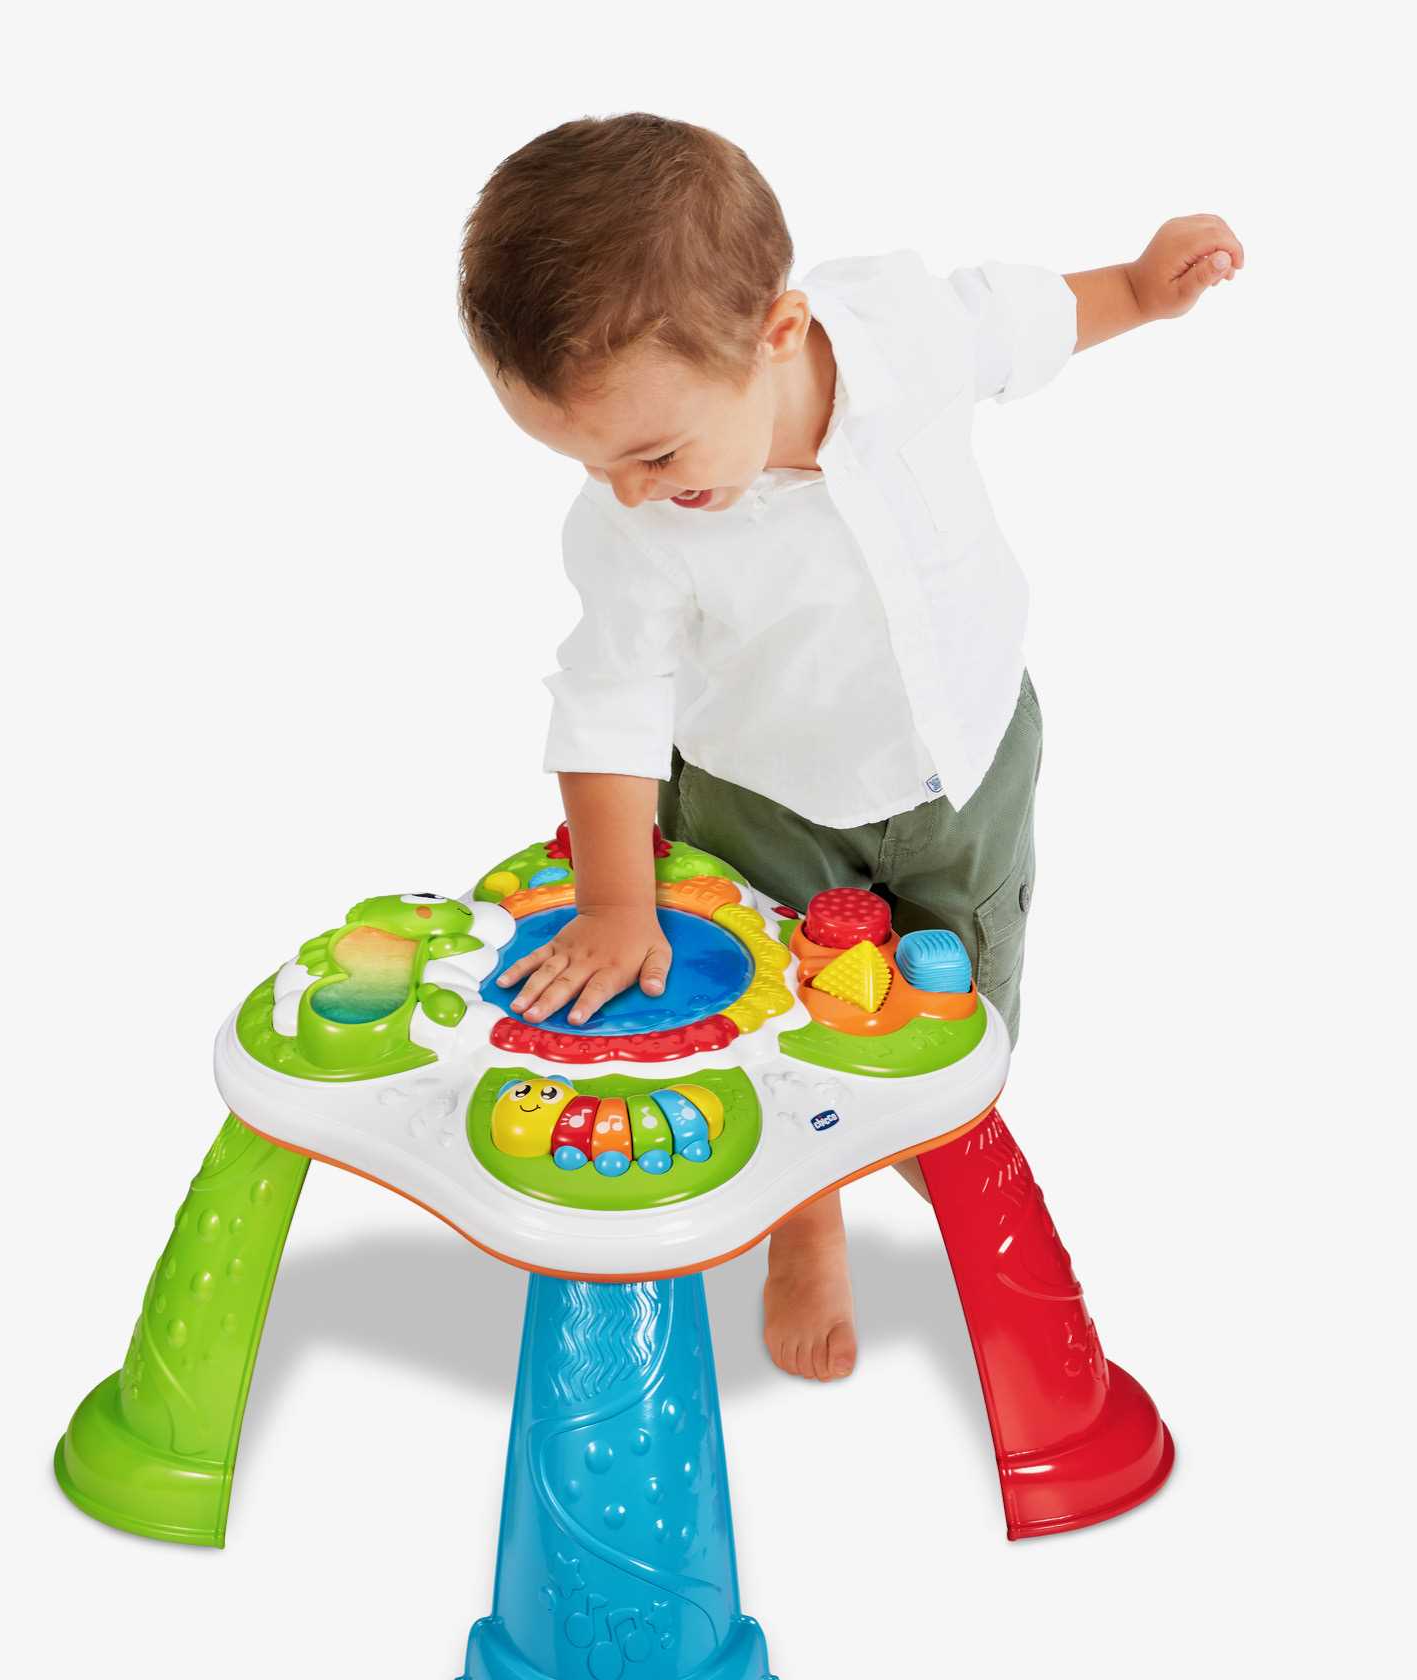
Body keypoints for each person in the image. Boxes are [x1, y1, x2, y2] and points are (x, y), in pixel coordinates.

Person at [458, 112, 1241, 1382]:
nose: (627, 490)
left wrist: (1141, 291)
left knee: (959, 1002)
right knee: (774, 1020)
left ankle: (941, 1139)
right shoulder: (635, 525)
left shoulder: (899, 329)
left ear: (777, 332)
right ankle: (806, 1212)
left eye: (652, 453)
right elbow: (608, 703)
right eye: (591, 463)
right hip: (758, 796)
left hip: (969, 758)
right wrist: (615, 900)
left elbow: (1018, 321)